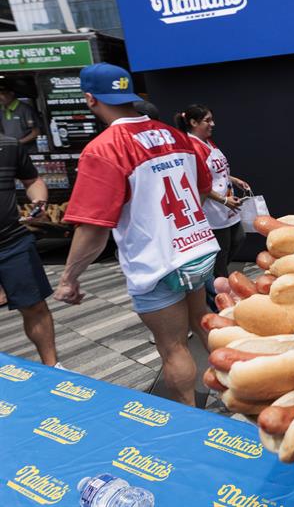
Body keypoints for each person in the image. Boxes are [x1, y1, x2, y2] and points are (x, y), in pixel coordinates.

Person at [53, 63, 219, 407]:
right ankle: (238, 391)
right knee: (202, 323)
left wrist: (69, 278)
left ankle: (188, 419)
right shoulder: (178, 138)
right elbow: (202, 190)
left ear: (89, 99)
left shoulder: (104, 148)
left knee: (172, 347)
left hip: (157, 262)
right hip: (197, 249)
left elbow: (93, 229)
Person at [175, 105, 250, 308]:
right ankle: (222, 303)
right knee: (221, 254)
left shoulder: (207, 142)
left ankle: (213, 284)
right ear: (193, 122)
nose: (212, 124)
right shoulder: (193, 147)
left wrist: (233, 180)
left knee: (238, 238)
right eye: (207, 120)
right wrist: (224, 200)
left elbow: (216, 172)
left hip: (226, 206)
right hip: (213, 210)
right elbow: (200, 185)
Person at [0, 128, 59, 367]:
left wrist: (38, 200)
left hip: (13, 242)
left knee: (35, 306)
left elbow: (32, 180)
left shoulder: (10, 145)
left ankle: (52, 367)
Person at [0, 85, 40, 154]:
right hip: (9, 152)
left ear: (11, 94)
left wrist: (18, 143)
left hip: (27, 152)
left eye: (2, 94)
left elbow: (36, 132)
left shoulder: (25, 109)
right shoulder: (1, 110)